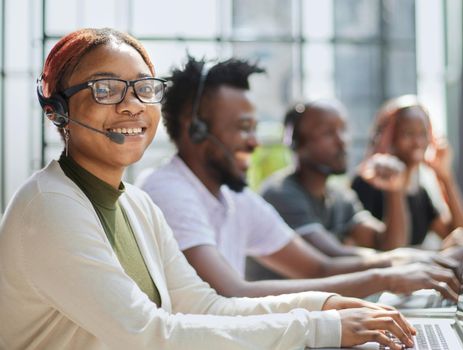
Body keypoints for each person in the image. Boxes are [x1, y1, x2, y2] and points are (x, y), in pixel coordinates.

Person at [0, 28, 417, 350]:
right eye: (104, 89)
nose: (131, 104)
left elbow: (206, 306)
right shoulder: (50, 206)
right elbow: (151, 335)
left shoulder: (137, 205)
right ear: (57, 111)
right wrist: (319, 326)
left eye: (144, 88)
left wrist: (320, 305)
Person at [139, 56, 459, 303]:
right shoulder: (170, 191)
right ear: (195, 129)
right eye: (243, 128)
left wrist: (425, 263)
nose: (255, 142)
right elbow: (230, 294)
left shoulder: (233, 196)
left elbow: (318, 267)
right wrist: (388, 278)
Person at [261, 100, 410, 253]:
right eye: (327, 133)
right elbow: (329, 260)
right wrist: (405, 260)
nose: (342, 141)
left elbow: (387, 245)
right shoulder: (281, 194)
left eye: (343, 130)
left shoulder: (339, 197)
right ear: (296, 143)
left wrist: (394, 189)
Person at [351, 95, 463, 247]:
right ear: (388, 138)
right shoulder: (367, 185)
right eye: (408, 134)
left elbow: (461, 235)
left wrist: (446, 177)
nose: (418, 142)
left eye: (423, 134)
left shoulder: (419, 192)